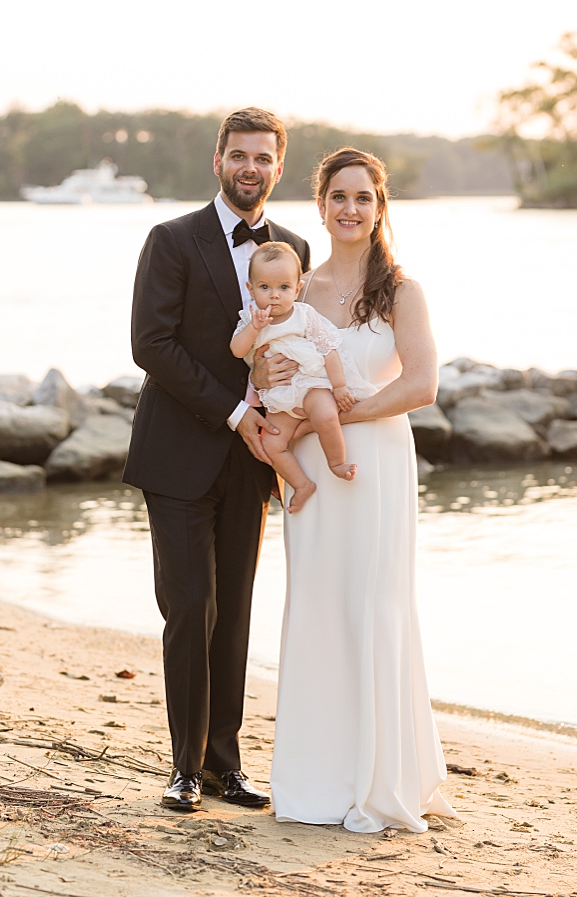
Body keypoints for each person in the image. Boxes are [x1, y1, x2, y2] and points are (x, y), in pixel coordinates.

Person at [256, 146, 455, 832]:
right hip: (312, 477)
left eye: (363, 197)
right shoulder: (295, 290)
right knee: (315, 608)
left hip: (374, 469)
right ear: (320, 205)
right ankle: (315, 779)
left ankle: (379, 780)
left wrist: (341, 411)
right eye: (338, 196)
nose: (350, 208)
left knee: (374, 605)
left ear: (379, 207)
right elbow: (267, 374)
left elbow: (421, 384)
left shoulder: (402, 291)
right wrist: (272, 378)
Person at [124, 107, 310, 811]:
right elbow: (151, 343)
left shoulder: (292, 247)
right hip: (177, 452)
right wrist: (235, 413)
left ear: (277, 167)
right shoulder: (171, 239)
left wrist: (292, 422)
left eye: (263, 157)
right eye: (239, 155)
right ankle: (183, 768)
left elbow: (292, 348)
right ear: (218, 160)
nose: (250, 168)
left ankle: (225, 765)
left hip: (250, 462)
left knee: (233, 612)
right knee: (190, 606)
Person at [229, 241, 375, 511]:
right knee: (271, 445)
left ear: (297, 289)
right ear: (251, 290)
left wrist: (340, 386)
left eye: (283, 288)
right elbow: (237, 350)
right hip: (280, 396)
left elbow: (329, 349)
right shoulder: (250, 319)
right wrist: (253, 328)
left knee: (326, 415)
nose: (275, 296)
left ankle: (337, 462)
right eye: (265, 288)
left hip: (311, 384)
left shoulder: (305, 315)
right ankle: (301, 484)